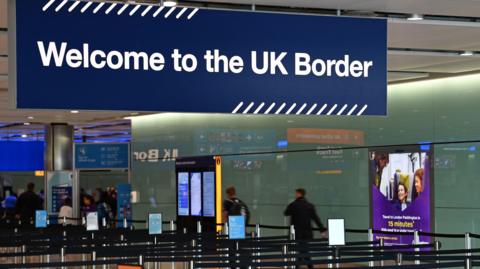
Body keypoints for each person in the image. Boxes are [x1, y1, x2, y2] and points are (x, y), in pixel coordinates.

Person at [284, 188, 326, 269]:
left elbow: (286, 213)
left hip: (297, 232)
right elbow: (316, 218)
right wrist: (322, 230)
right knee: (305, 250)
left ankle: (299, 265)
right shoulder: (310, 205)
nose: (295, 195)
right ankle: (308, 265)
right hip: (307, 233)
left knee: (300, 250)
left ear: (299, 194)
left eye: (296, 194)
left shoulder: (293, 205)